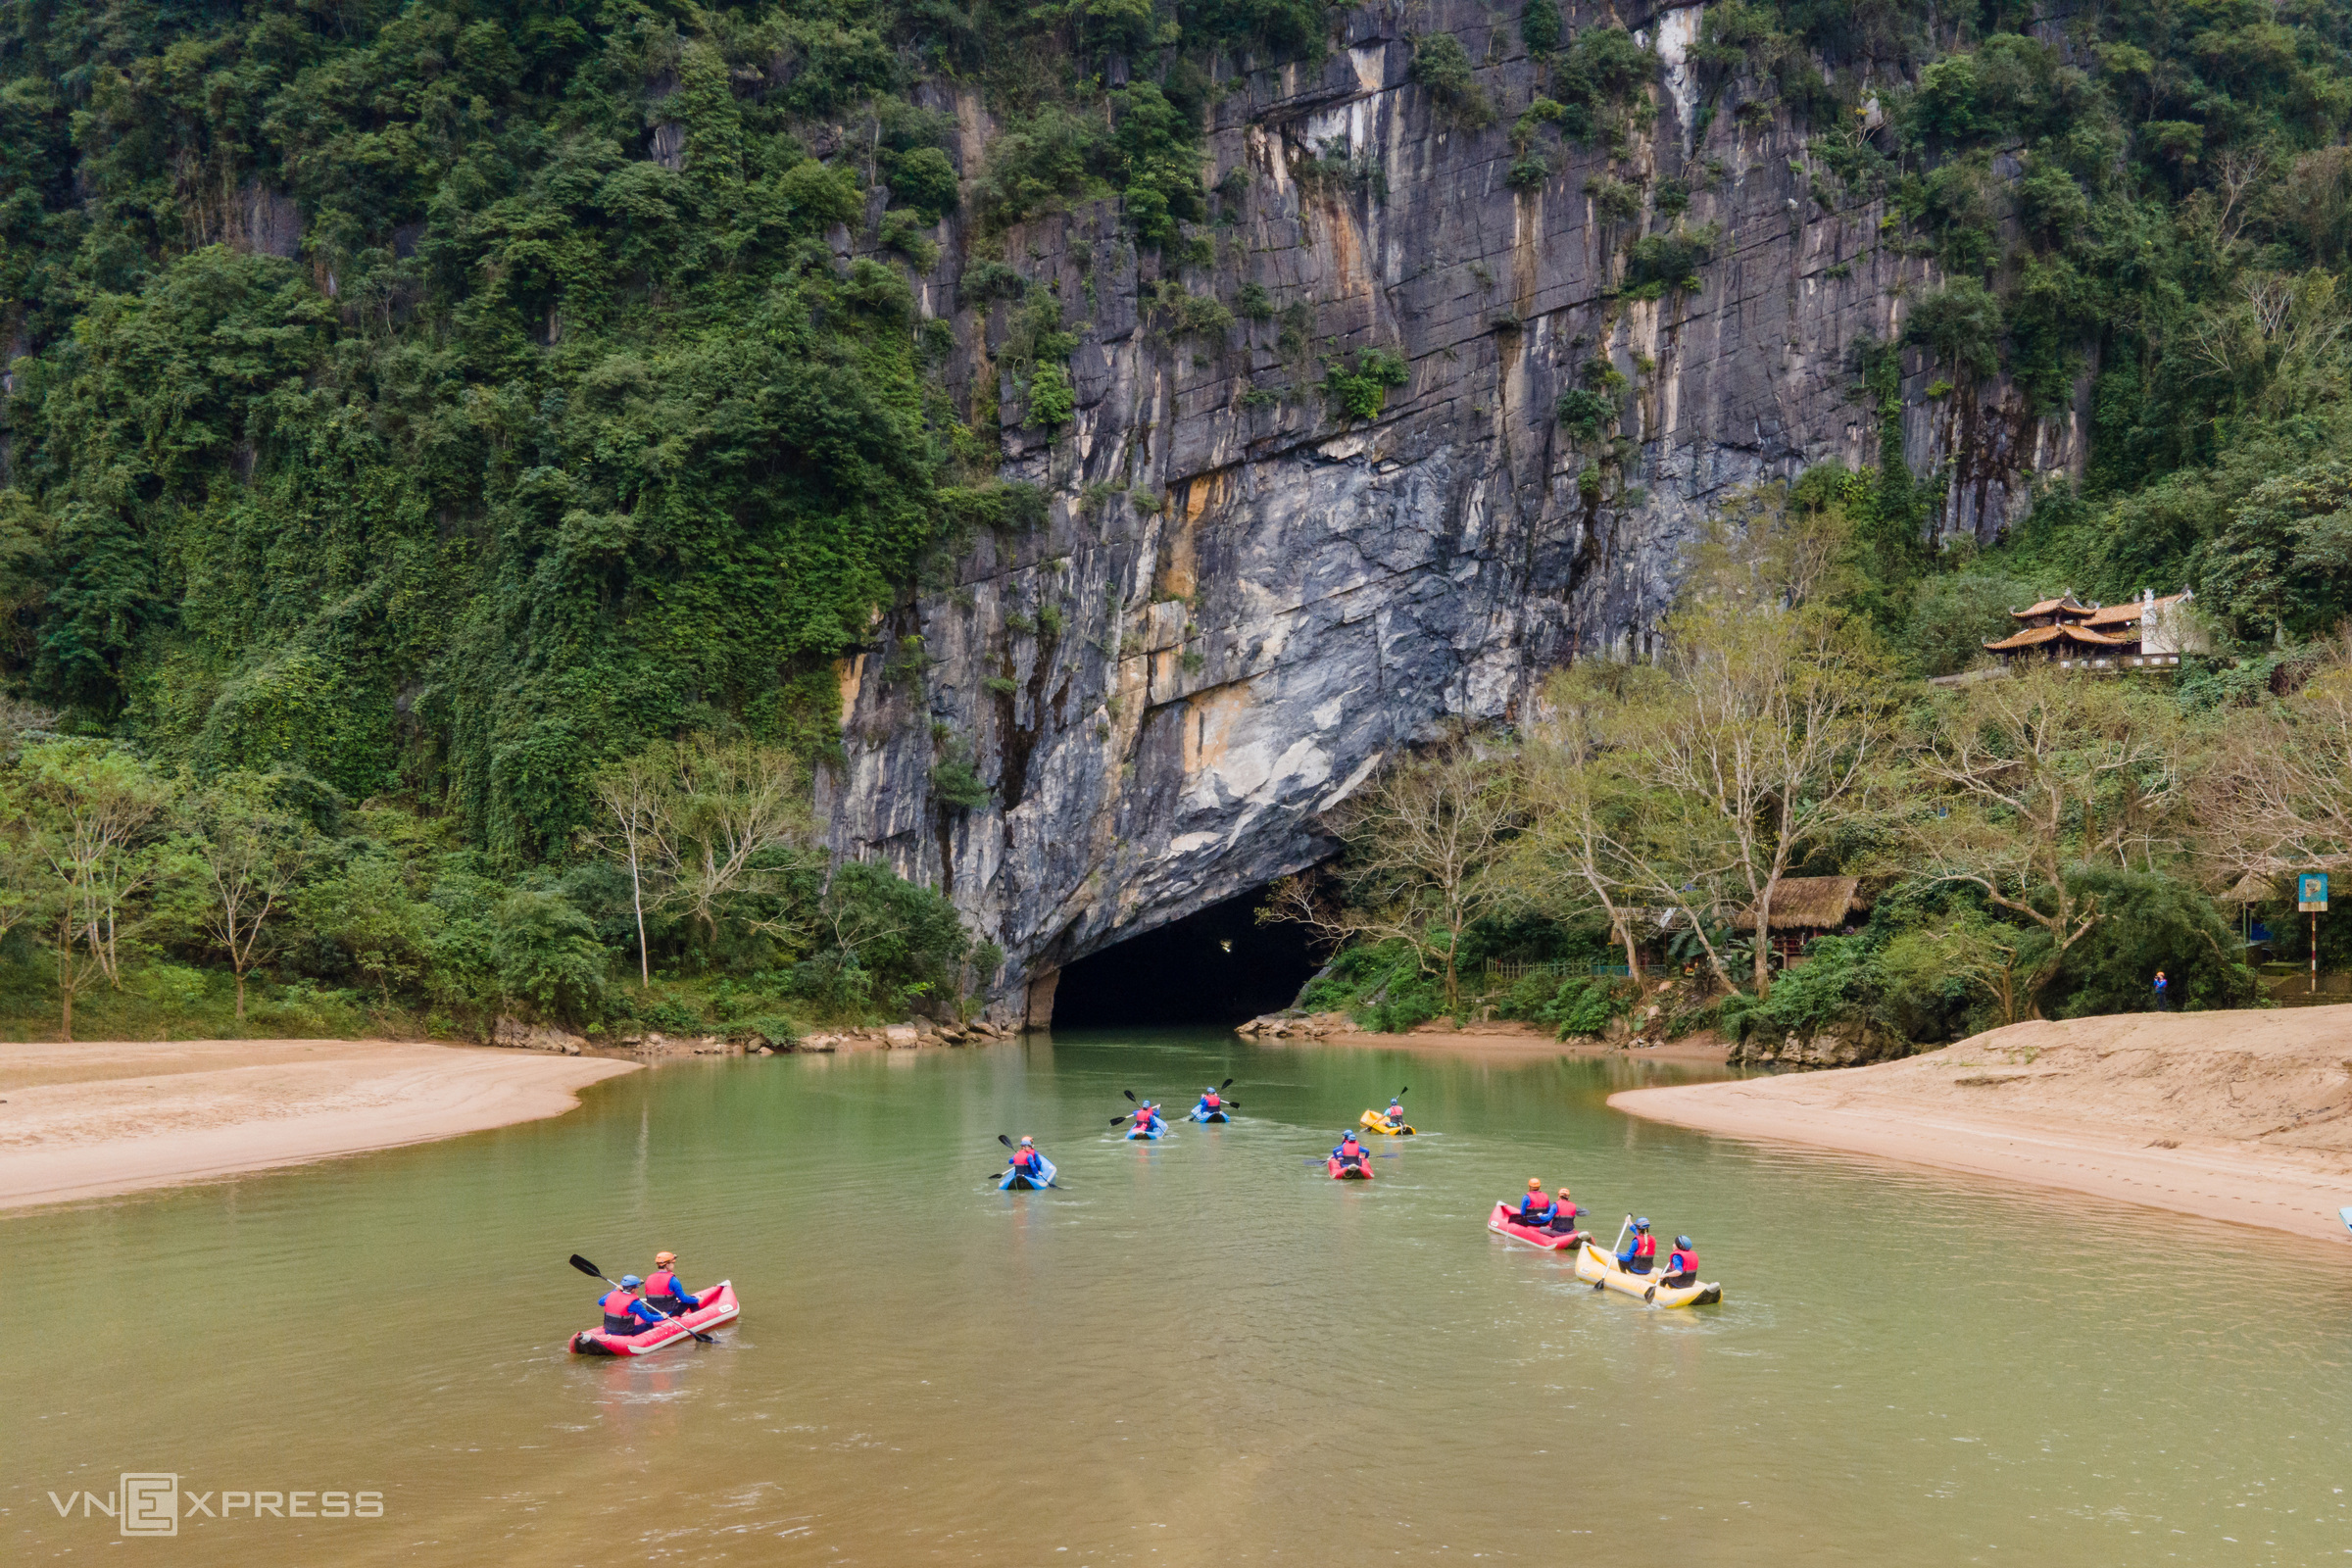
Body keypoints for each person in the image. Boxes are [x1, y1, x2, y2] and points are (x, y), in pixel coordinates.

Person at [599, 1276, 666, 1336]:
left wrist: (615, 1289)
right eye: (637, 1287)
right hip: (624, 1332)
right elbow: (647, 1317)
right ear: (633, 1289)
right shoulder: (635, 1303)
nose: (638, 1289)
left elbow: (600, 1302)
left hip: (608, 1330)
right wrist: (661, 1317)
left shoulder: (611, 1295)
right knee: (649, 1324)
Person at [644, 1251, 695, 1315]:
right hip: (669, 1313)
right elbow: (683, 1299)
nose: (673, 1265)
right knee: (692, 1299)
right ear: (667, 1265)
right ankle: (698, 1318)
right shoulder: (673, 1280)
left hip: (652, 1313)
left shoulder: (649, 1278)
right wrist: (698, 1300)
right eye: (672, 1263)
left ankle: (682, 1314)